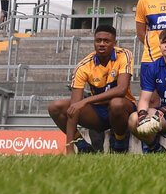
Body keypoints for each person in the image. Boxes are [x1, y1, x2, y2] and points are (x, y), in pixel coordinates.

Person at [49, 24, 137, 154]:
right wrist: (69, 148)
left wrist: (86, 101)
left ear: (114, 43)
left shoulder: (124, 55)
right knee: (55, 107)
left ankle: (119, 144)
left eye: (106, 41)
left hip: (122, 111)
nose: (102, 44)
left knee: (116, 103)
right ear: (94, 42)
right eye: (98, 40)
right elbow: (74, 107)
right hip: (97, 113)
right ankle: (82, 145)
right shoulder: (83, 66)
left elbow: (122, 90)